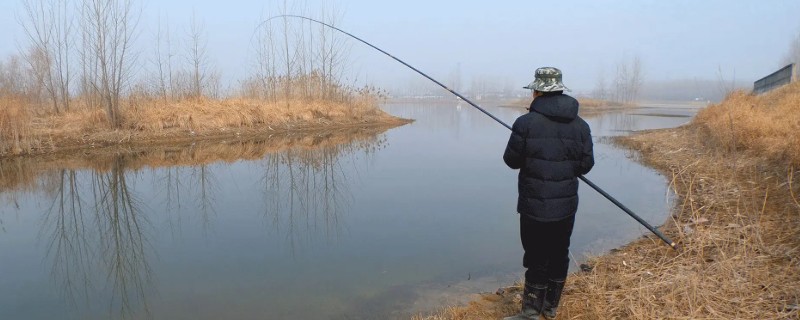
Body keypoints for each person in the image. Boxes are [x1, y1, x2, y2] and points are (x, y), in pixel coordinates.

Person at [502, 67, 594, 320]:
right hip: (566, 206)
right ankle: (551, 308)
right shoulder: (581, 125)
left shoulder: (525, 123)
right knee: (559, 253)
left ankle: (531, 311)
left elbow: (511, 161)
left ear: (537, 92)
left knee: (536, 256)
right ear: (560, 89)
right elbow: (586, 165)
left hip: (534, 206)